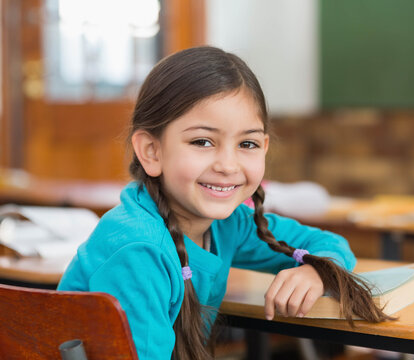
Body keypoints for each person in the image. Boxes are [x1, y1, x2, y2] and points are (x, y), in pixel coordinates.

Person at [57, 46, 390, 360]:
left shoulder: (229, 225)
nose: (228, 165)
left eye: (247, 143)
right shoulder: (138, 250)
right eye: (202, 141)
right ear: (151, 151)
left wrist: (317, 271)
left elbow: (329, 243)